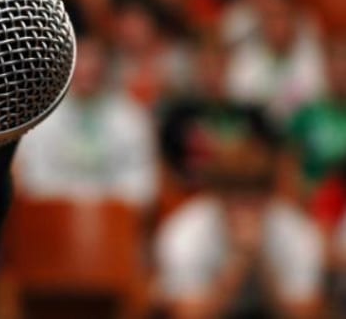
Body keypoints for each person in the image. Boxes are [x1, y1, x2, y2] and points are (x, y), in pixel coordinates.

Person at [155, 135, 324, 318]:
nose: (245, 213)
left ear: (270, 197)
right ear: (216, 197)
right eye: (234, 202)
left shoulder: (297, 232)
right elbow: (188, 315)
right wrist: (238, 262)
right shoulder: (185, 233)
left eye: (255, 202)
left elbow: (306, 314)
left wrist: (262, 263)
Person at [16, 36, 157, 210]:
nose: (86, 67)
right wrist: (74, 203)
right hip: (53, 220)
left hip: (114, 221)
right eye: (81, 57)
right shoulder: (41, 116)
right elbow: (33, 179)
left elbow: (142, 185)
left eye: (93, 58)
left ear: (106, 64)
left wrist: (97, 204)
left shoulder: (131, 117)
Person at [160, 39, 278, 193]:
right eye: (205, 65)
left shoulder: (252, 115)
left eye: (217, 65)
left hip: (243, 197)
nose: (211, 74)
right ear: (195, 69)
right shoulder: (178, 116)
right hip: (192, 194)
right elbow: (167, 169)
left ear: (228, 66)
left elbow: (271, 163)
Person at [227, 0, 326, 124]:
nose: (277, 26)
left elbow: (317, 97)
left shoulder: (313, 56)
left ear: (294, 23)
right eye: (271, 19)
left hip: (304, 128)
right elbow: (240, 97)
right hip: (259, 129)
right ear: (262, 25)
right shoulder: (246, 58)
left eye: (283, 18)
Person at [287, 40, 346, 230]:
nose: (341, 70)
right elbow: (287, 166)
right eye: (335, 62)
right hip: (311, 204)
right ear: (326, 67)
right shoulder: (307, 115)